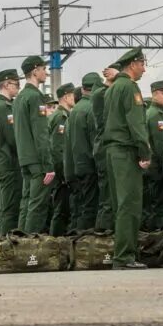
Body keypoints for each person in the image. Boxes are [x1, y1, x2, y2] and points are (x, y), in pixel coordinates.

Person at [101, 47, 150, 270]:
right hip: (126, 151)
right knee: (129, 204)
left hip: (112, 151)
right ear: (132, 64)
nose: (144, 69)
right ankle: (124, 256)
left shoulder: (111, 89)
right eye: (142, 64)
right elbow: (136, 123)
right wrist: (144, 151)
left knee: (119, 204)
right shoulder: (130, 88)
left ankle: (123, 254)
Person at [14, 55, 55, 234]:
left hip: (25, 158)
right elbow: (41, 133)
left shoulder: (20, 97)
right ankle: (30, 248)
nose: (46, 72)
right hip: (38, 161)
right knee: (37, 205)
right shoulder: (35, 97)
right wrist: (48, 165)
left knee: (26, 203)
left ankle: (19, 243)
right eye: (43, 69)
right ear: (35, 70)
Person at [64, 74, 101, 232]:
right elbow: (95, 140)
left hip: (77, 165)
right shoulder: (91, 108)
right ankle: (85, 244)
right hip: (90, 164)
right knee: (90, 208)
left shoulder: (76, 109)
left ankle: (77, 242)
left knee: (81, 207)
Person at [0, 69, 22, 235]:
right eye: (17, 84)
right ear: (7, 84)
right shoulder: (3, 107)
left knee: (8, 208)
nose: (19, 88)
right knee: (9, 210)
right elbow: (12, 137)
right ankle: (4, 248)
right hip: (8, 163)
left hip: (5, 163)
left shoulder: (2, 106)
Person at [143, 80, 163, 230]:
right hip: (157, 167)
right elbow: (160, 145)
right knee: (158, 204)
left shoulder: (159, 113)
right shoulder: (156, 115)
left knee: (156, 203)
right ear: (154, 94)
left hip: (155, 167)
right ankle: (155, 236)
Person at [92, 65, 119, 230]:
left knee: (111, 195)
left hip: (106, 148)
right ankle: (103, 235)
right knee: (107, 198)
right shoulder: (101, 94)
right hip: (105, 148)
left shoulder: (105, 92)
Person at [48, 83, 76, 236]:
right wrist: (62, 173)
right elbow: (57, 148)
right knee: (61, 210)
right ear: (66, 97)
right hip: (61, 173)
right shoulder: (60, 117)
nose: (75, 98)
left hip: (62, 171)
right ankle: (56, 242)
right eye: (72, 95)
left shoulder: (64, 115)